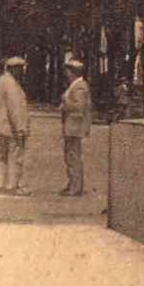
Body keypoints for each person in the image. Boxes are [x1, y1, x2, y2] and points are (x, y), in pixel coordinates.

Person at [0, 56, 31, 196]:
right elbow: (15, 108)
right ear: (14, 68)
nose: (21, 72)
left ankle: (1, 184)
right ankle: (13, 186)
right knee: (16, 156)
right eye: (20, 69)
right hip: (13, 126)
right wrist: (20, 127)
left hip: (2, 125)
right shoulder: (11, 84)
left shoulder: (0, 81)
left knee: (2, 156)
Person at [59, 56, 93, 195]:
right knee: (70, 156)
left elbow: (79, 107)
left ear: (73, 72)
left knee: (73, 156)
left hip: (74, 127)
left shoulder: (80, 86)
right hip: (71, 126)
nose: (66, 74)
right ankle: (73, 183)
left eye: (68, 71)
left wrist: (65, 103)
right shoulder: (76, 86)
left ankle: (75, 187)